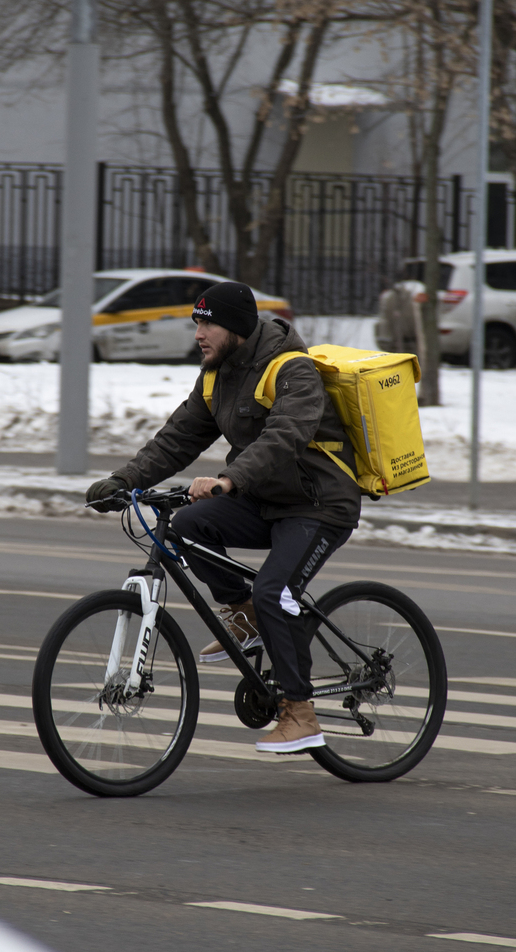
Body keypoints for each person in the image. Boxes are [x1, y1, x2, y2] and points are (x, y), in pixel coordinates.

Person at [86, 282, 361, 753]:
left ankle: (300, 712)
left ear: (236, 327)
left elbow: (285, 437)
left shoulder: (292, 370)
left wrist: (229, 480)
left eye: (207, 324)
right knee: (189, 525)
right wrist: (123, 480)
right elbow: (178, 438)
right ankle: (245, 613)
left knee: (275, 590)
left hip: (318, 504)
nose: (198, 334)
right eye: (196, 323)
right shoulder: (216, 376)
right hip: (263, 499)